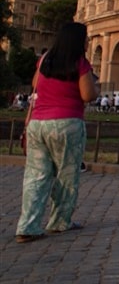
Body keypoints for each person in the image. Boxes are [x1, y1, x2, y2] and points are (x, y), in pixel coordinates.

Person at [16, 22, 99, 243]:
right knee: (66, 175)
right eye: (86, 38)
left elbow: (35, 84)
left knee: (36, 176)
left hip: (37, 124)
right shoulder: (80, 63)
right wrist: (95, 88)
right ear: (77, 40)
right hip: (67, 124)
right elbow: (87, 95)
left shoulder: (44, 60)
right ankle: (60, 221)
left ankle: (27, 226)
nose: (88, 41)